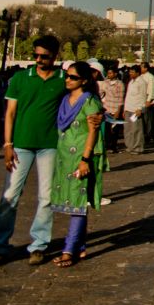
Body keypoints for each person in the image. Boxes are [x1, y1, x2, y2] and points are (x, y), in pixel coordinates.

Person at [0, 36, 94, 265]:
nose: (40, 60)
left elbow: (81, 95)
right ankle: (1, 244)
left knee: (46, 197)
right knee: (10, 195)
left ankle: (38, 245)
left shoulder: (63, 78)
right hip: (21, 144)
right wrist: (8, 144)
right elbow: (10, 114)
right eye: (37, 55)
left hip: (51, 146)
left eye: (45, 56)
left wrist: (95, 114)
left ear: (55, 56)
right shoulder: (21, 78)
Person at [48, 61, 107, 267]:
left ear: (83, 80)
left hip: (80, 157)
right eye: (67, 75)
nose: (68, 80)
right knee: (72, 201)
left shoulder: (89, 101)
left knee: (78, 204)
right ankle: (79, 247)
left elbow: (93, 132)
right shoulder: (65, 99)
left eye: (73, 77)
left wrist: (85, 159)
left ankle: (68, 250)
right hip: (64, 157)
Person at [122, 66, 148, 154]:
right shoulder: (131, 82)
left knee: (136, 129)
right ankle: (130, 146)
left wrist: (140, 109)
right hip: (128, 109)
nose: (130, 73)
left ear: (137, 73)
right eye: (130, 72)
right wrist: (125, 109)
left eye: (132, 72)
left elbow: (143, 96)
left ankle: (137, 148)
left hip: (135, 110)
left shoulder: (141, 82)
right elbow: (128, 96)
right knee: (128, 129)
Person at [100, 66, 125, 154]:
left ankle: (114, 147)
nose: (109, 75)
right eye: (108, 73)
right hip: (107, 109)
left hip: (115, 109)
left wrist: (118, 111)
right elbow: (101, 92)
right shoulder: (106, 82)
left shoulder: (120, 84)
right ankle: (107, 146)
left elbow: (121, 99)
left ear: (115, 74)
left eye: (111, 73)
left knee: (114, 130)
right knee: (107, 130)